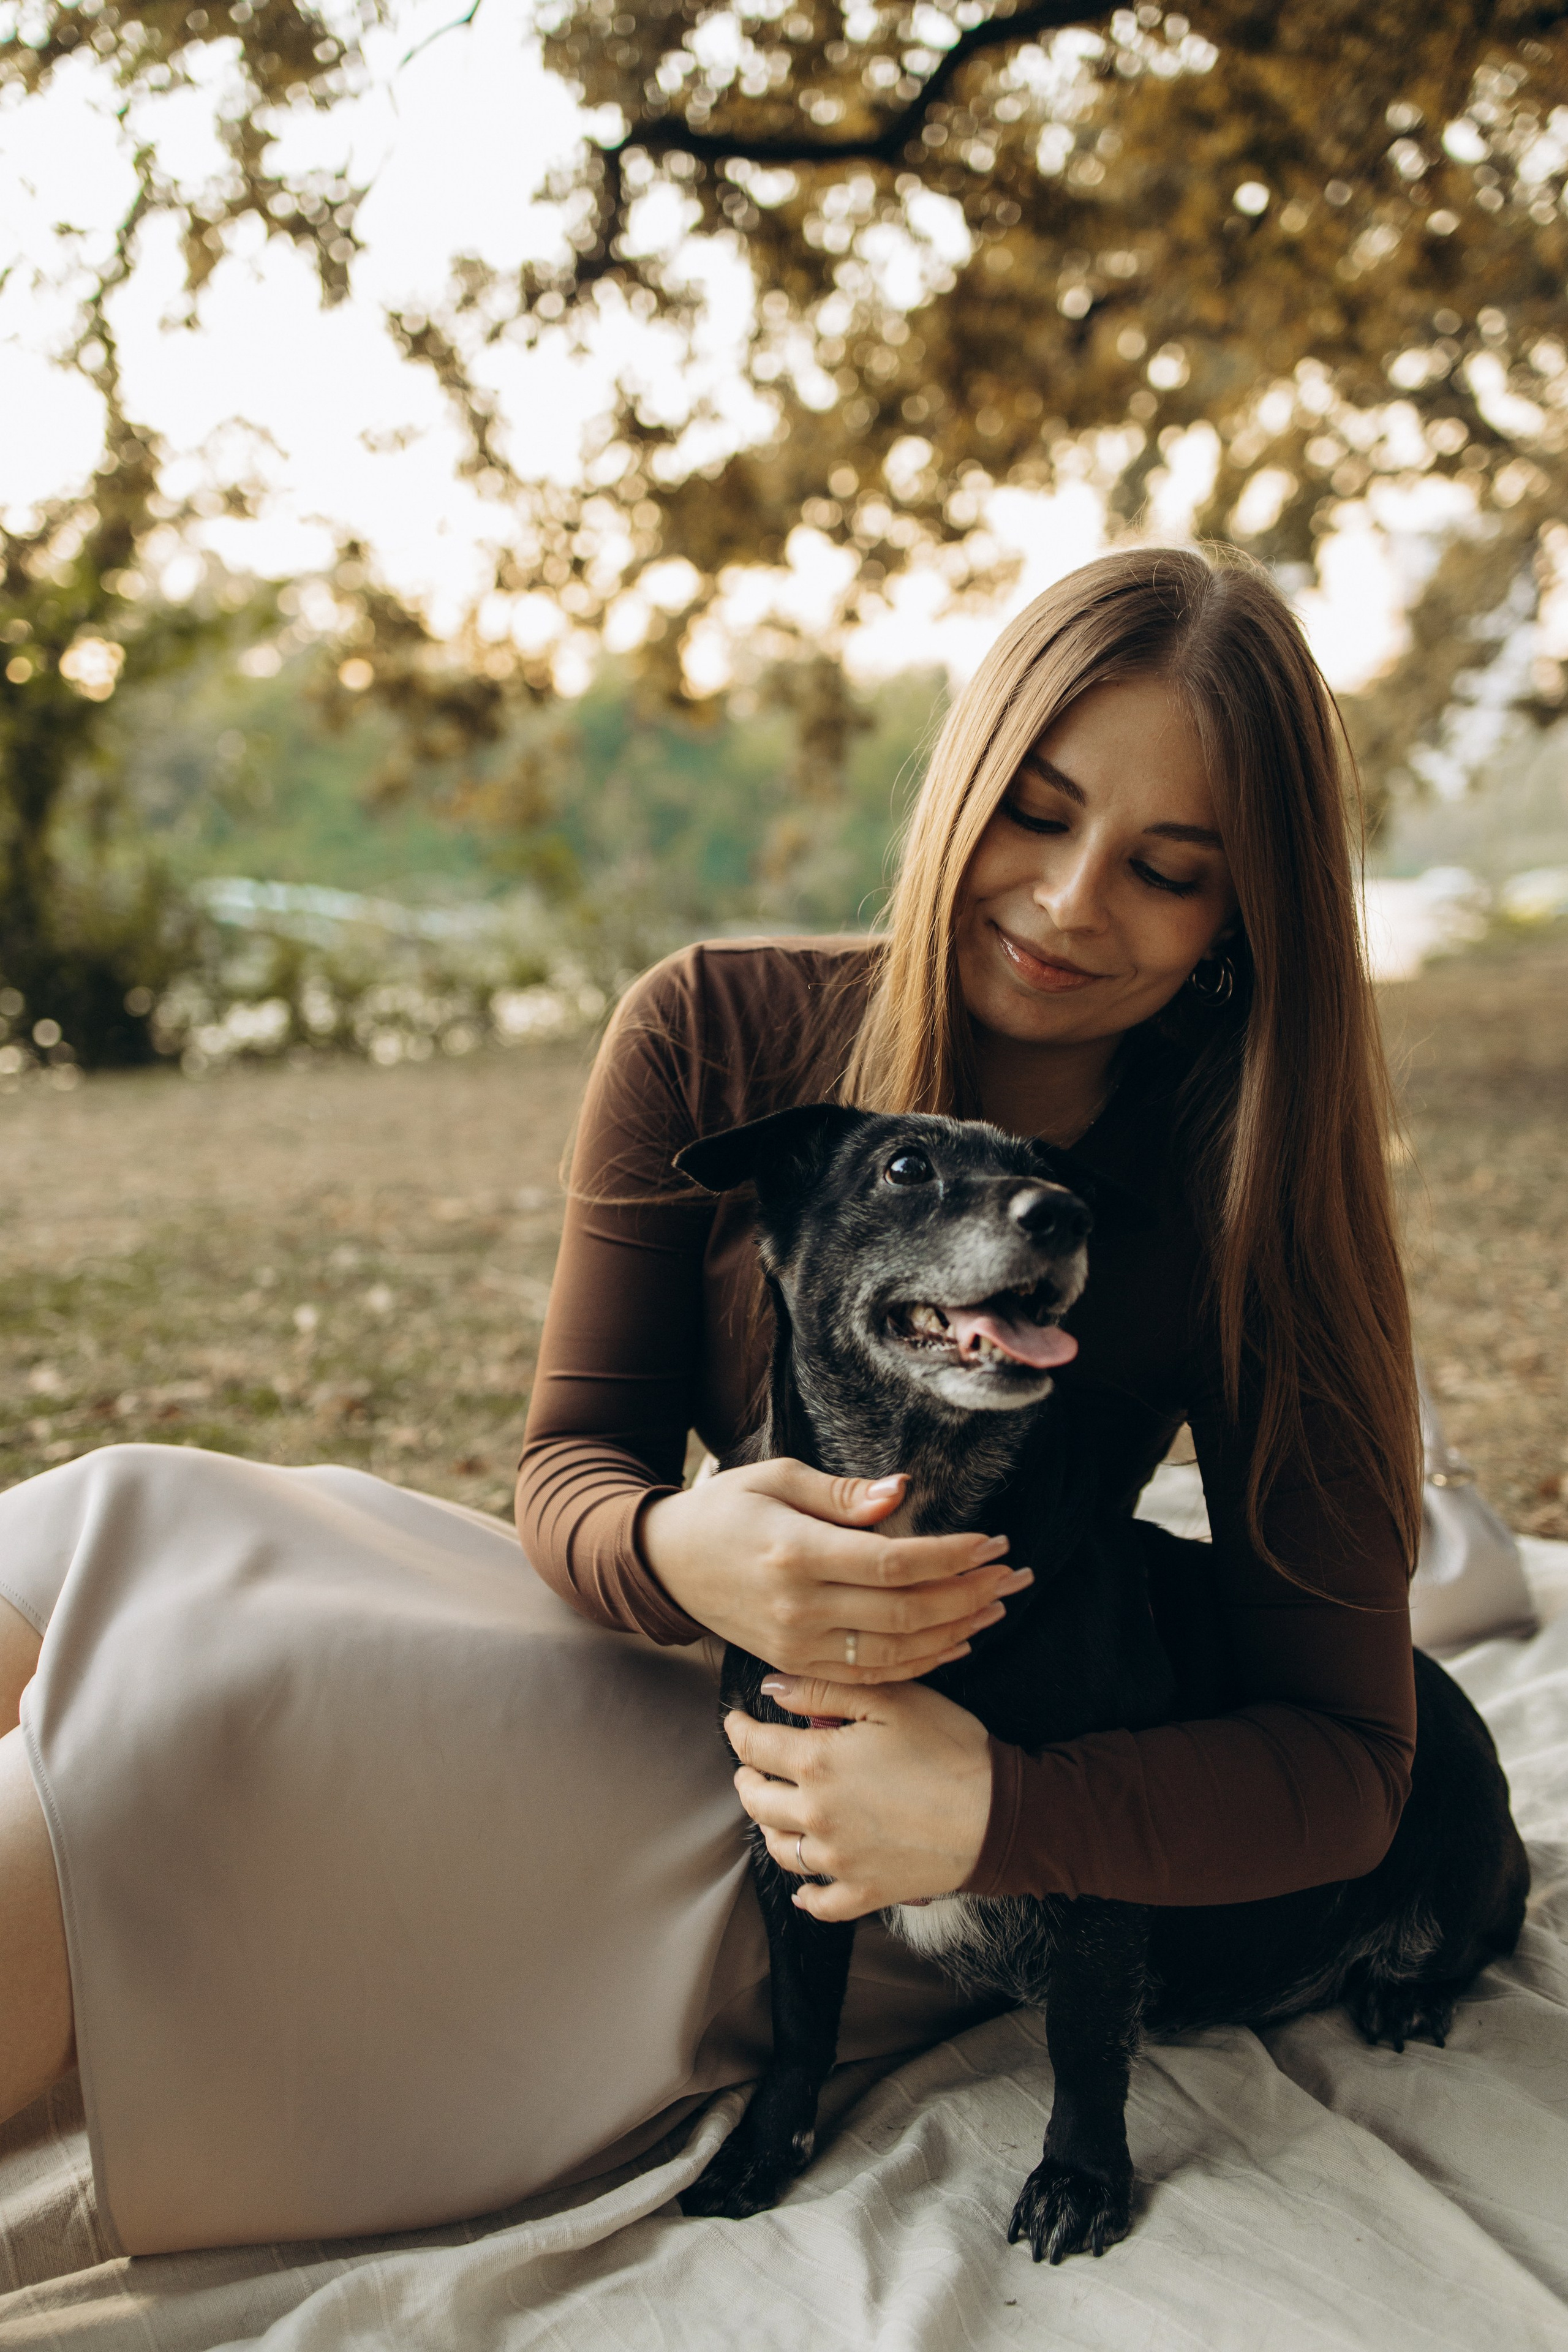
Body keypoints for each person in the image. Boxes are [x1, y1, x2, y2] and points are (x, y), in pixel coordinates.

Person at [0, 546, 1420, 2258]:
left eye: (1169, 870)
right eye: (1034, 813)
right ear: (961, 778)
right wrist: (679, 1544)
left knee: (148, 1767)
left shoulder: (1249, 1198)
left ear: (1241, 921)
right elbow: (571, 1468)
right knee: (132, 1532)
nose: (1066, 900)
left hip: (813, 1792)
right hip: (618, 1631)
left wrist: (996, 1814)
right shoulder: (716, 1026)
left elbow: (1349, 1769)